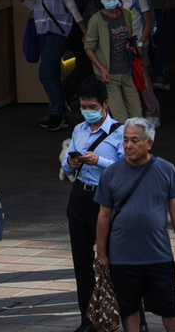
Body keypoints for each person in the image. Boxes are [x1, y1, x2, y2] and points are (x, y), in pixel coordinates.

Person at [94, 118, 175, 332]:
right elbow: (103, 216)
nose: (128, 145)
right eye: (125, 140)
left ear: (149, 143)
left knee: (169, 308)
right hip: (123, 258)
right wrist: (101, 254)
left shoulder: (166, 169)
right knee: (129, 309)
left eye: (134, 141)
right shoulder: (111, 173)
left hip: (159, 255)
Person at [61, 78, 125, 332]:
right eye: (83, 106)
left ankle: (130, 317)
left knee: (114, 262)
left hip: (106, 200)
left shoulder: (120, 132)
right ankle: (87, 320)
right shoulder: (79, 129)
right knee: (81, 262)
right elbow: (66, 166)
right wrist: (71, 162)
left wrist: (98, 160)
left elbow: (125, 170)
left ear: (105, 104)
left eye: (92, 106)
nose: (87, 110)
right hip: (80, 196)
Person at [16, 0, 88, 131]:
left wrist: (85, 32)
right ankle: (59, 114)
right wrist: (24, 1)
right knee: (53, 73)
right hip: (43, 34)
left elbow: (73, 9)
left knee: (45, 73)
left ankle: (57, 111)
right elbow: (38, 7)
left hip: (57, 35)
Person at [85, 0, 142, 123]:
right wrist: (101, 69)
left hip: (126, 72)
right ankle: (124, 145)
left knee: (137, 114)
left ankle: (132, 144)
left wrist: (129, 46)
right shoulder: (96, 20)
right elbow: (89, 48)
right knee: (120, 117)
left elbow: (126, 39)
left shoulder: (126, 15)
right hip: (109, 76)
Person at [113, 0, 160, 128]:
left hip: (138, 45)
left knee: (141, 78)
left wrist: (140, 43)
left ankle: (153, 113)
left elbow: (148, 22)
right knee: (124, 79)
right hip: (121, 44)